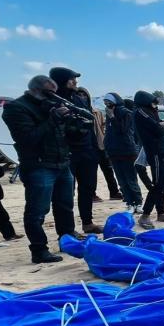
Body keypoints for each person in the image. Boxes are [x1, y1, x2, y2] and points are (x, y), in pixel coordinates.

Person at [2, 76, 81, 263]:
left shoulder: (51, 105)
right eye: (49, 92)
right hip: (38, 165)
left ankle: (67, 240)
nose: (54, 96)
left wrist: (74, 125)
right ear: (36, 90)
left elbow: (62, 135)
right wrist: (52, 119)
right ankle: (39, 250)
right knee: (37, 211)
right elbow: (27, 139)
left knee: (65, 206)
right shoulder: (16, 108)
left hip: (61, 162)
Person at [47, 67, 102, 235]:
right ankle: (67, 230)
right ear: (61, 81)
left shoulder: (79, 99)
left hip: (87, 151)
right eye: (72, 79)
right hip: (66, 152)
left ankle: (88, 223)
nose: (75, 82)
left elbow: (89, 125)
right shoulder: (52, 101)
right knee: (64, 194)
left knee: (88, 188)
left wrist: (95, 150)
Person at [133, 91, 164, 229]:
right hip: (156, 152)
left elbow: (162, 126)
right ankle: (145, 215)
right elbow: (158, 128)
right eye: (153, 102)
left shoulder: (152, 111)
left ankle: (161, 212)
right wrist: (162, 126)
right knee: (158, 184)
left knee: (163, 184)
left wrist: (163, 125)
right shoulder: (141, 112)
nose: (155, 104)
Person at [101, 93, 143, 214]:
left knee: (131, 179)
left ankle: (138, 203)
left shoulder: (126, 113)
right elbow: (109, 133)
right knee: (122, 181)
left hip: (127, 151)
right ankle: (129, 203)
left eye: (109, 102)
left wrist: (112, 117)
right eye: (105, 103)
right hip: (114, 152)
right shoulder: (109, 113)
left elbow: (122, 130)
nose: (107, 105)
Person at [79, 86, 120, 202]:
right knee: (91, 173)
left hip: (101, 145)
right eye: (79, 95)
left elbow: (103, 127)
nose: (82, 97)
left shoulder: (97, 112)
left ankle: (114, 192)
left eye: (84, 95)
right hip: (87, 147)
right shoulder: (78, 112)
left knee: (108, 170)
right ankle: (92, 194)